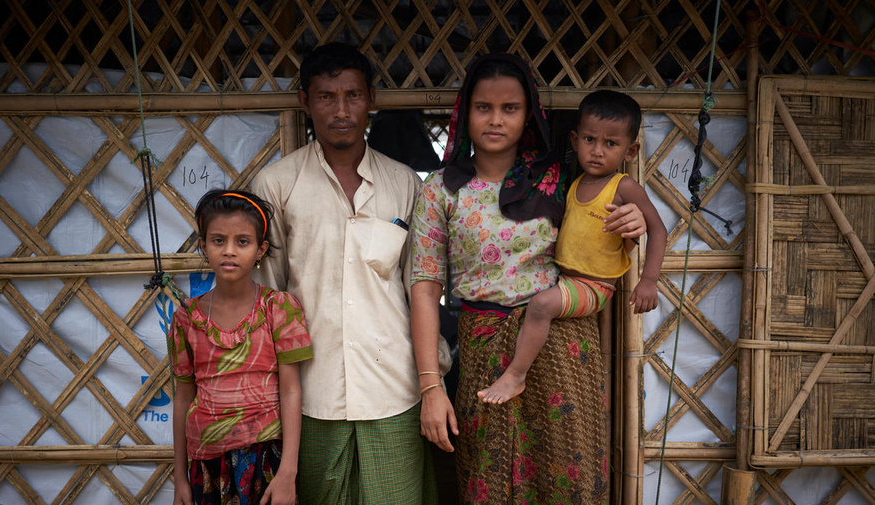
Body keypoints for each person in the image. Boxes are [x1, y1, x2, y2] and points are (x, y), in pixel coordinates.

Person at [410, 54, 647, 504]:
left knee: (567, 479)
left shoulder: (564, 181)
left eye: (510, 108)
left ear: (529, 115)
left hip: (561, 346)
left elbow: (602, 246)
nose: (496, 120)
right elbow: (424, 290)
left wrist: (633, 223)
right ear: (465, 113)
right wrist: (430, 386)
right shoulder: (441, 189)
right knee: (488, 481)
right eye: (484, 107)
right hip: (481, 352)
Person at [252, 42, 439, 504]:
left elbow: (422, 289)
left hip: (394, 389)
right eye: (326, 97)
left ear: (370, 98)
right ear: (304, 102)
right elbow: (267, 295)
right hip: (310, 395)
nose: (341, 110)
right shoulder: (277, 184)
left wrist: (433, 380)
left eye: (352, 95)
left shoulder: (405, 184)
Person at [478, 89, 667, 404]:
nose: (597, 151)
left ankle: (515, 377)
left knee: (540, 306)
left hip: (594, 286)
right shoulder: (575, 184)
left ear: (630, 151)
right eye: (590, 140)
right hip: (566, 279)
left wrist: (649, 281)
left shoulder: (624, 187)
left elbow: (658, 230)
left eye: (611, 143)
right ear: (575, 140)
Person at [170, 189, 312, 505]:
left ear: (261, 250)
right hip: (206, 467)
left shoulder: (280, 309)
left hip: (265, 462)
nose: (229, 251)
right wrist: (180, 478)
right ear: (203, 246)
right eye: (218, 240)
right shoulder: (186, 318)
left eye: (242, 242)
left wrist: (287, 471)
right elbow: (182, 397)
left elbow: (290, 391)